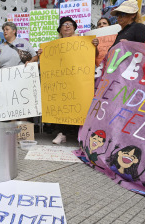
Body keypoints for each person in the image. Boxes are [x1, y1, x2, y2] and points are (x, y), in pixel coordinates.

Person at [45, 16, 99, 144]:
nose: (67, 26)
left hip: (79, 79)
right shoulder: (54, 45)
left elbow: (94, 55)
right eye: (64, 24)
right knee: (63, 105)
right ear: (60, 30)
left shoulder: (84, 41)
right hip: (62, 81)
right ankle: (62, 133)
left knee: (81, 104)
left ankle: (82, 134)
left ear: (74, 27)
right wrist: (43, 53)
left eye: (70, 24)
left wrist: (94, 46)